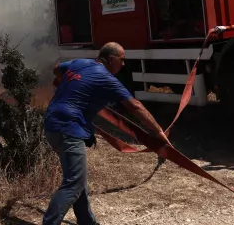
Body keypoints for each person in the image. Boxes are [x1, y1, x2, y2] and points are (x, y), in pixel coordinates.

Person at [42, 42, 170, 225]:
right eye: (122, 60)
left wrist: (69, 84)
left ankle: (87, 222)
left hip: (52, 123)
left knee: (78, 177)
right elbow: (135, 106)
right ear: (111, 59)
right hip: (68, 128)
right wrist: (158, 132)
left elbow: (57, 68)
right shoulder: (107, 79)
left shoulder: (79, 63)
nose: (124, 64)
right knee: (74, 184)